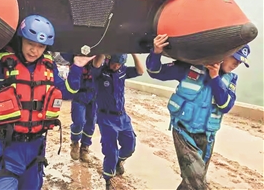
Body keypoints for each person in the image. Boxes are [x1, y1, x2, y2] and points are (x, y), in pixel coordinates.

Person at [0, 14, 95, 190]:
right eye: (30, 43)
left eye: (40, 46)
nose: (34, 50)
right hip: (5, 149)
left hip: (35, 150)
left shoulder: (48, 67)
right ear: (21, 39)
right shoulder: (2, 63)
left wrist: (77, 66)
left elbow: (67, 92)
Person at [145, 34, 251, 190]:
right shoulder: (190, 66)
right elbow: (156, 72)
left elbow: (226, 105)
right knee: (197, 183)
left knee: (191, 183)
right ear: (223, 52)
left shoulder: (231, 79)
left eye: (240, 61)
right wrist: (156, 52)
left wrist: (215, 77)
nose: (237, 63)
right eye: (234, 58)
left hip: (207, 137)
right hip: (184, 131)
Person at [91, 53, 144, 190]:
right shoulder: (100, 72)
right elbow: (96, 64)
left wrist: (134, 53)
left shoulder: (123, 71)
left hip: (122, 117)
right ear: (108, 60)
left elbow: (140, 71)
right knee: (110, 152)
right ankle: (109, 180)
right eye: (114, 63)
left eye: (119, 64)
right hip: (106, 118)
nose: (116, 66)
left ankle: (120, 160)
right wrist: (103, 49)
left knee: (130, 146)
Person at [59, 53, 97, 163]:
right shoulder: (74, 54)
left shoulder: (99, 53)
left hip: (94, 93)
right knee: (79, 121)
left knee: (91, 123)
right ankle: (75, 143)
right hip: (79, 93)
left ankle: (85, 148)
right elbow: (64, 53)